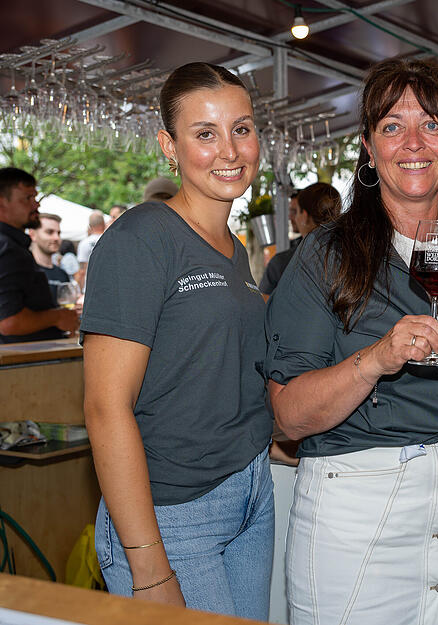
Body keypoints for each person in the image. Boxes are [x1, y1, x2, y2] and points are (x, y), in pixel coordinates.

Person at [264, 58, 438, 625]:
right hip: (355, 521)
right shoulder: (324, 256)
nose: (414, 142)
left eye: (431, 124)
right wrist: (375, 360)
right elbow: (287, 417)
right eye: (392, 126)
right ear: (368, 147)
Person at [81, 62, 273, 619]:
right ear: (169, 145)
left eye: (241, 128)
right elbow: (104, 407)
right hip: (173, 513)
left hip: (249, 493)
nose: (230, 151)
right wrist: (147, 564)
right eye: (205, 133)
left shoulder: (233, 249)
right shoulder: (140, 237)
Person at [0, 167, 78, 343]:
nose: (36, 205)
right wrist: (57, 317)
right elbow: (8, 322)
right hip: (22, 365)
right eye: (28, 198)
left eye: (34, 197)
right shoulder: (7, 248)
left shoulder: (11, 245)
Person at [258, 182, 340, 296]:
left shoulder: (284, 262)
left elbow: (263, 304)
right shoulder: (351, 256)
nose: (291, 217)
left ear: (304, 215)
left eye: (295, 211)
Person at [29, 213, 72, 300]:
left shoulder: (62, 274)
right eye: (49, 232)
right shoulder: (25, 271)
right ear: (32, 234)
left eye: (58, 233)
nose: (56, 238)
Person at [75, 210, 106, 289]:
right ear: (103, 224)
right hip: (109, 287)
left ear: (90, 226)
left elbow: (82, 271)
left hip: (90, 289)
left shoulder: (84, 243)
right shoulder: (110, 241)